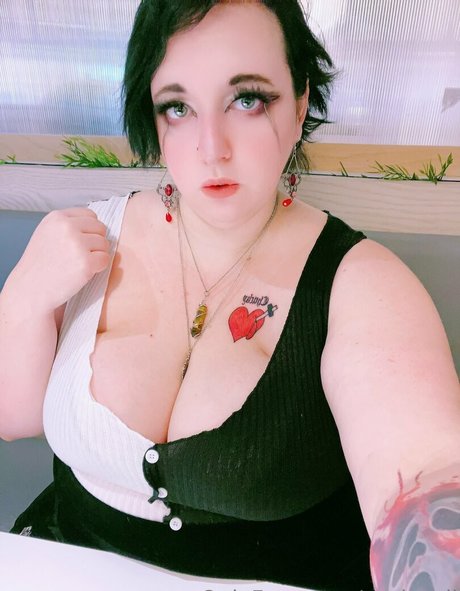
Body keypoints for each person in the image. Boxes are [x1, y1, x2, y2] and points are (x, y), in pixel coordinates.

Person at [1, 1, 459, 589]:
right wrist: (23, 296)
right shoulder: (84, 239)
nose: (210, 147)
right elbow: (13, 418)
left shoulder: (361, 282)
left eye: (247, 100)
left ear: (299, 103)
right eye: (178, 107)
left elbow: (426, 477)